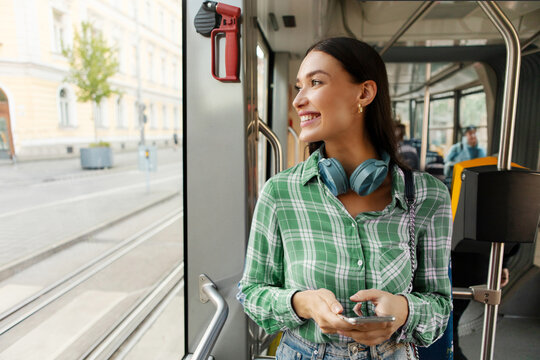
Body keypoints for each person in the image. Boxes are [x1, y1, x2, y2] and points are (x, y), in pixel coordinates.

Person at [237, 37, 452, 360]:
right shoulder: (280, 193)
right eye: (299, 86)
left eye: (315, 82)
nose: (298, 100)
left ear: (364, 93)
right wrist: (302, 303)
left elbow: (440, 305)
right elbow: (251, 292)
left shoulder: (427, 196)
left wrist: (404, 310)